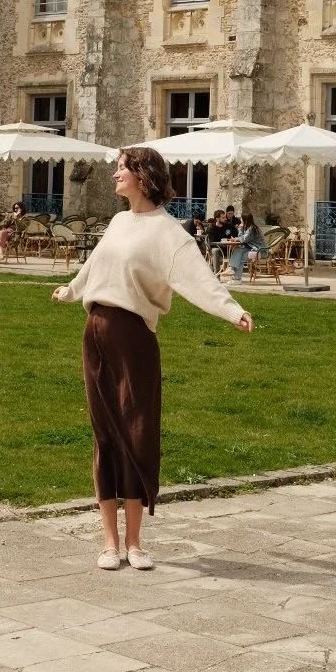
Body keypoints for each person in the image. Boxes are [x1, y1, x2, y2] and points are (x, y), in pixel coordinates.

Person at [53, 146, 252, 570]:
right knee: (105, 433)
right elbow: (94, 268)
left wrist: (232, 311)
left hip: (135, 339)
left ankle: (136, 542)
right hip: (97, 335)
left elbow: (198, 280)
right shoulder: (118, 221)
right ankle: (109, 542)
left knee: (138, 431)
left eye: (121, 169)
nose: (114, 175)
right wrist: (70, 291)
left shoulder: (169, 233)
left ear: (143, 177)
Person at [227, 213, 268, 283]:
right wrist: (240, 231)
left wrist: (239, 229)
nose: (240, 220)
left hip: (260, 251)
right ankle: (232, 269)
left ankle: (237, 278)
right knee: (238, 250)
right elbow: (242, 238)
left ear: (245, 220)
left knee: (241, 257)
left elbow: (243, 239)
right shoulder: (247, 228)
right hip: (252, 249)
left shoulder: (252, 229)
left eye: (241, 219)